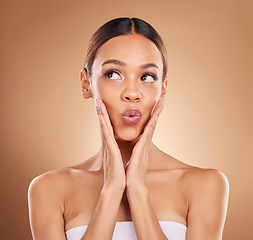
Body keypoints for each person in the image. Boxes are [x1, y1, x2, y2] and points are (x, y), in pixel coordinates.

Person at [28, 17, 229, 240]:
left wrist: (137, 190)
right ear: (86, 83)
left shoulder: (205, 185)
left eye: (147, 76)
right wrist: (112, 190)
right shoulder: (49, 190)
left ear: (163, 89)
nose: (132, 93)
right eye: (113, 74)